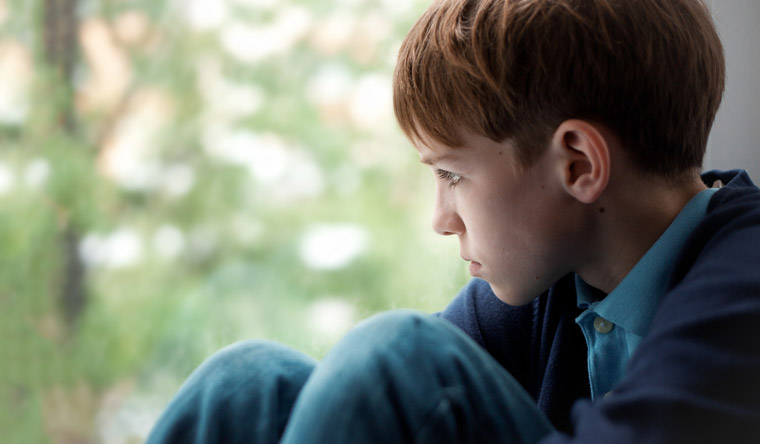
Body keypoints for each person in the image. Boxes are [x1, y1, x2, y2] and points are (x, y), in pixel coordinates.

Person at [145, 0, 760, 442]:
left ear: (577, 164)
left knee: (398, 357)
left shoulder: (744, 277)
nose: (441, 220)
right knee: (247, 383)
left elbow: (398, 384)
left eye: (452, 176)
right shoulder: (556, 279)